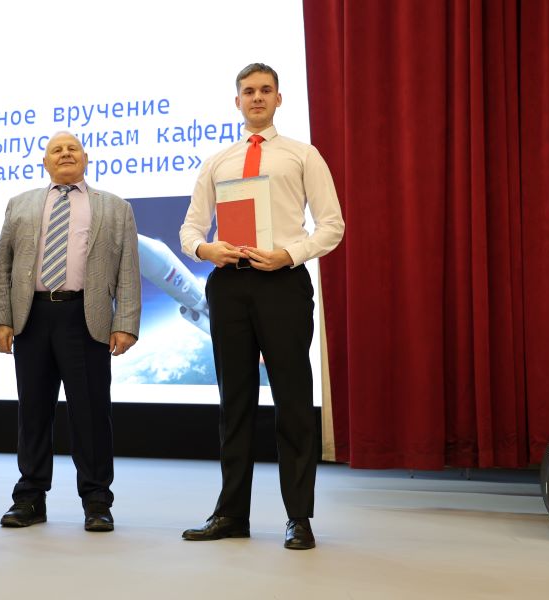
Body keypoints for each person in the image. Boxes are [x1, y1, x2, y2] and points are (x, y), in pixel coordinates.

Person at [179, 64, 345, 549]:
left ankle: (299, 518)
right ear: (237, 102)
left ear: (278, 98)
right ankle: (231, 514)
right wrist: (204, 249)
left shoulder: (302, 155)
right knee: (234, 403)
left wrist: (288, 254)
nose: (256, 97)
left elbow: (332, 225)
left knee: (292, 401)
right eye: (248, 91)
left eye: (265, 90)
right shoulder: (218, 161)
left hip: (282, 282)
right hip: (228, 285)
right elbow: (191, 228)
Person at [0, 131, 141, 532]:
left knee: (91, 413)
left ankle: (97, 501)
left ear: (85, 158)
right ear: (45, 162)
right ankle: (29, 498)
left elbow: (128, 269)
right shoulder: (20, 204)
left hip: (85, 317)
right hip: (32, 317)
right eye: (56, 149)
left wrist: (126, 323)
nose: (65, 153)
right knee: (33, 412)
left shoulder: (115, 207)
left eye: (73, 148)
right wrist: (0, 318)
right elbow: (2, 265)